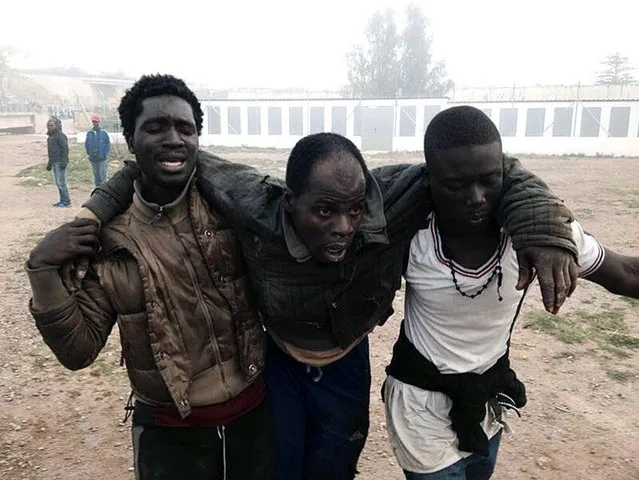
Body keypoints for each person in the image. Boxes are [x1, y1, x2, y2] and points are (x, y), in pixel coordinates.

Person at [80, 126, 579, 477]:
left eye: (354, 211)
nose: (343, 227)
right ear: (290, 201)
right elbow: (169, 159)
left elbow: (495, 171)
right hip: (277, 361)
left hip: (347, 359)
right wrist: (92, 212)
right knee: (281, 463)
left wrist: (545, 230)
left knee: (336, 462)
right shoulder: (255, 203)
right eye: (323, 210)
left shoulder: (396, 197)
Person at [26, 75, 272, 479]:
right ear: (130, 138)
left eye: (185, 128)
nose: (173, 138)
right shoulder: (111, 239)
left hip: (255, 420)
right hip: (170, 437)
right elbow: (77, 350)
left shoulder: (231, 210)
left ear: (198, 139)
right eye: (155, 128)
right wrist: (41, 270)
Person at [382, 105, 639, 480]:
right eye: (455, 185)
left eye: (489, 179)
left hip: (488, 397)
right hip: (420, 406)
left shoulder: (539, 235)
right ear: (430, 180)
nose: (476, 197)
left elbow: (626, 272)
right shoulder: (413, 236)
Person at [46, 116, 71, 207]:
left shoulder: (61, 136)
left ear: (56, 126)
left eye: (51, 125)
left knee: (61, 183)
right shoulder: (51, 137)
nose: (49, 127)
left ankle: (66, 201)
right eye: (48, 125)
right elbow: (51, 152)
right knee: (58, 182)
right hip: (54, 162)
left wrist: (64, 161)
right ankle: (62, 200)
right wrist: (49, 164)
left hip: (60, 162)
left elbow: (65, 149)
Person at [84, 114, 111, 186]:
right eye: (93, 121)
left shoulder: (103, 133)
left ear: (99, 122)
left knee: (103, 176)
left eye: (96, 121)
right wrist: (89, 153)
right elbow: (86, 144)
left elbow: (107, 144)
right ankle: (97, 191)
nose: (94, 123)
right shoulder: (89, 133)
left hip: (102, 158)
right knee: (96, 176)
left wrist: (105, 154)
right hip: (93, 158)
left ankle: (104, 192)